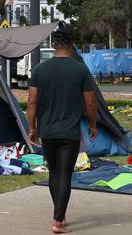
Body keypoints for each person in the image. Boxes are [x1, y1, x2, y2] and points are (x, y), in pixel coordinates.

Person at [26, 29, 98, 234]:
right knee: (65, 175)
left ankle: (60, 213)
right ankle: (58, 221)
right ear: (72, 44)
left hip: (47, 132)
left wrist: (32, 128)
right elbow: (91, 103)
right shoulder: (80, 70)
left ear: (53, 44)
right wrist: (93, 125)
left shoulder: (40, 69)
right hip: (70, 133)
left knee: (54, 173)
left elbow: (32, 102)